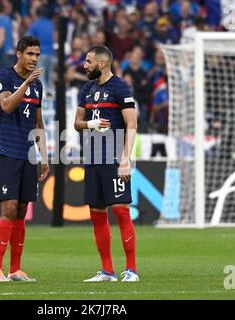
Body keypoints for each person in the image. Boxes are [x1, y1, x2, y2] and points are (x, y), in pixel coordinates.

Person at [74, 46, 139, 282]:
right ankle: (107, 271)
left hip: (113, 159)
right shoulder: (87, 90)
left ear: (101, 63)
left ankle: (131, 270)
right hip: (92, 159)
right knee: (97, 214)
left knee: (121, 211)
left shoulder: (120, 88)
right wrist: (92, 125)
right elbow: (77, 123)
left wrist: (125, 159)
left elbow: (131, 125)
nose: (85, 65)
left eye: (88, 61)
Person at [0, 35, 49, 282]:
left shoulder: (38, 85)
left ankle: (15, 269)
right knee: (9, 208)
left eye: (37, 55)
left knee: (23, 209)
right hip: (7, 150)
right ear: (19, 54)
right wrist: (25, 84)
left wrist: (44, 156)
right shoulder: (3, 77)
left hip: (28, 154)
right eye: (30, 54)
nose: (34, 59)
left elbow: (39, 122)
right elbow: (6, 106)